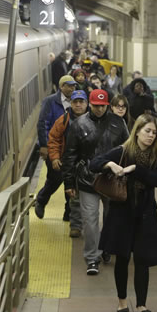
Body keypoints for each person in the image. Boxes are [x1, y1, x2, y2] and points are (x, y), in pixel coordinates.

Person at [90, 114, 157, 312]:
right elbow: (94, 163)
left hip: (145, 215)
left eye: (153, 132)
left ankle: (141, 305)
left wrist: (136, 170)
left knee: (142, 260)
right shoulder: (123, 151)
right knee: (122, 258)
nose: (150, 136)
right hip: (121, 213)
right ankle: (122, 300)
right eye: (147, 131)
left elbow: (156, 180)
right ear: (137, 131)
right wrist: (110, 165)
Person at [62, 89, 129, 275]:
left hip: (112, 179)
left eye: (102, 106)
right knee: (90, 221)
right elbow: (70, 155)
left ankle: (107, 248)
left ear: (107, 105)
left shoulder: (118, 123)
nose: (99, 109)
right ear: (90, 104)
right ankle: (92, 258)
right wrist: (68, 183)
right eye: (96, 105)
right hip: (87, 180)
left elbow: (127, 150)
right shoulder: (79, 125)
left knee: (111, 218)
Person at [35, 75, 78, 220]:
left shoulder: (78, 101)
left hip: (72, 149)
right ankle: (41, 199)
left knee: (71, 180)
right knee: (55, 178)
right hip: (55, 148)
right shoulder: (50, 101)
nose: (72, 88)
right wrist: (44, 145)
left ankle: (69, 212)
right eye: (69, 85)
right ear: (61, 87)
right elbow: (43, 123)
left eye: (73, 86)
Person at [47, 90, 88, 237]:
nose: (78, 105)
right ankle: (76, 226)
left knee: (91, 198)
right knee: (74, 197)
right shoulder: (64, 120)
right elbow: (53, 139)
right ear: (71, 103)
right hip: (71, 164)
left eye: (81, 102)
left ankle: (90, 225)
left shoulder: (94, 119)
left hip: (90, 164)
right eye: (75, 102)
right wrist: (55, 157)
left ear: (86, 103)